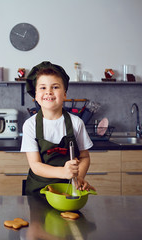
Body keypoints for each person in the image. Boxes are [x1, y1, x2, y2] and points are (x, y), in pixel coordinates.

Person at [20, 61, 95, 197]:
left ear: (65, 94)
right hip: (38, 192)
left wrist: (78, 177)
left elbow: (84, 157)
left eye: (55, 87)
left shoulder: (76, 123)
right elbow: (35, 165)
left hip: (68, 190)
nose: (48, 91)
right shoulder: (30, 125)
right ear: (35, 96)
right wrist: (63, 172)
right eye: (42, 88)